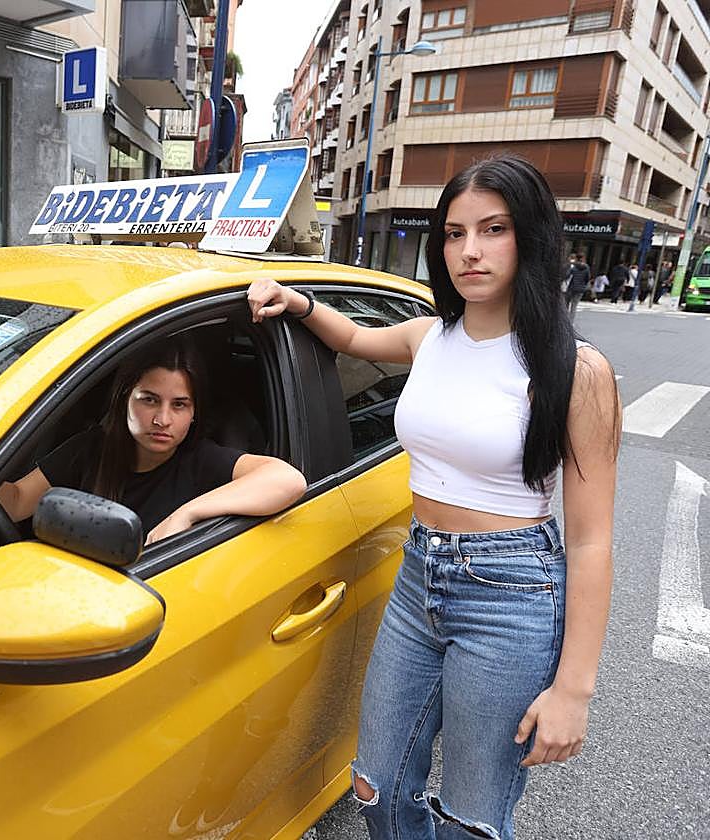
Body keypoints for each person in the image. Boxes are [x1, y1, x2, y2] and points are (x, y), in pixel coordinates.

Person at [247, 153, 619, 840]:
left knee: (471, 816)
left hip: (512, 595)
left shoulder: (577, 370)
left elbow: (593, 541)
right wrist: (299, 302)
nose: (469, 250)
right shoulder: (431, 336)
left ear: (531, 236)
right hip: (420, 575)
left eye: (493, 229)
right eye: (453, 233)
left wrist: (574, 689)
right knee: (376, 784)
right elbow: (354, 337)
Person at [0, 342, 306, 545]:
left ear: (194, 413)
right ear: (124, 400)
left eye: (179, 405)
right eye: (149, 400)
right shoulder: (91, 448)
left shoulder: (201, 460)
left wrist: (186, 514)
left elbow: (288, 480)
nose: (162, 419)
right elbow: (17, 501)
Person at [564, 251, 590, 320]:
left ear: (576, 258)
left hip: (572, 287)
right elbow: (587, 278)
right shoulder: (586, 267)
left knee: (566, 304)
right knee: (574, 306)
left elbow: (567, 276)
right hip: (581, 289)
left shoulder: (574, 267)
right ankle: (571, 321)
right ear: (583, 258)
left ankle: (564, 319)